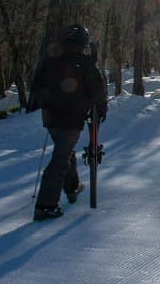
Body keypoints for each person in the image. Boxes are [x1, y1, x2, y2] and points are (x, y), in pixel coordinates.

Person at [31, 24, 107, 221]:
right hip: (70, 118)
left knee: (65, 152)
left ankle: (72, 188)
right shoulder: (84, 62)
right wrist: (101, 109)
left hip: (50, 118)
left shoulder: (52, 60)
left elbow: (37, 85)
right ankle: (46, 205)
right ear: (83, 43)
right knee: (60, 159)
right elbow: (97, 88)